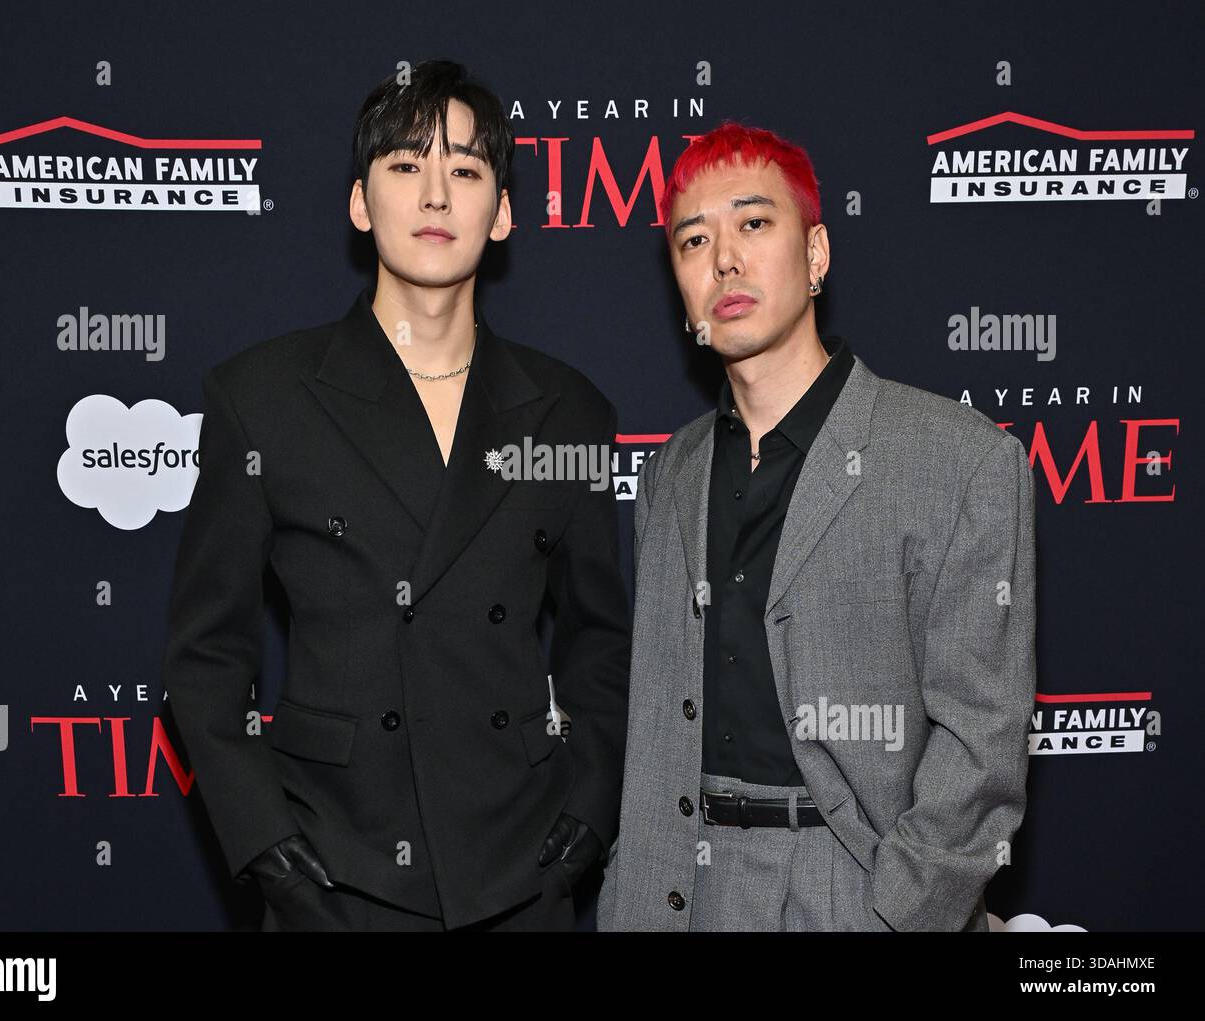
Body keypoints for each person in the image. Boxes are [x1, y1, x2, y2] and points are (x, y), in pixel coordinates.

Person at [161, 59, 630, 931]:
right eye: (407, 166)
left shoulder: (569, 409)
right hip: (337, 869)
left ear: (503, 213)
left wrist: (591, 811)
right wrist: (264, 842)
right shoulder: (261, 396)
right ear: (358, 201)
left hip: (520, 870)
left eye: (466, 170)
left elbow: (603, 637)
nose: (437, 196)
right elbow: (205, 655)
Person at [596, 121, 1036, 931]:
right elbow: (658, 731)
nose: (724, 257)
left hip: (854, 887)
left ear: (817, 254)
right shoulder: (669, 474)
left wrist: (896, 913)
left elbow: (982, 743)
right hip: (681, 897)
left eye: (754, 223)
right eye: (694, 240)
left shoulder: (959, 459)